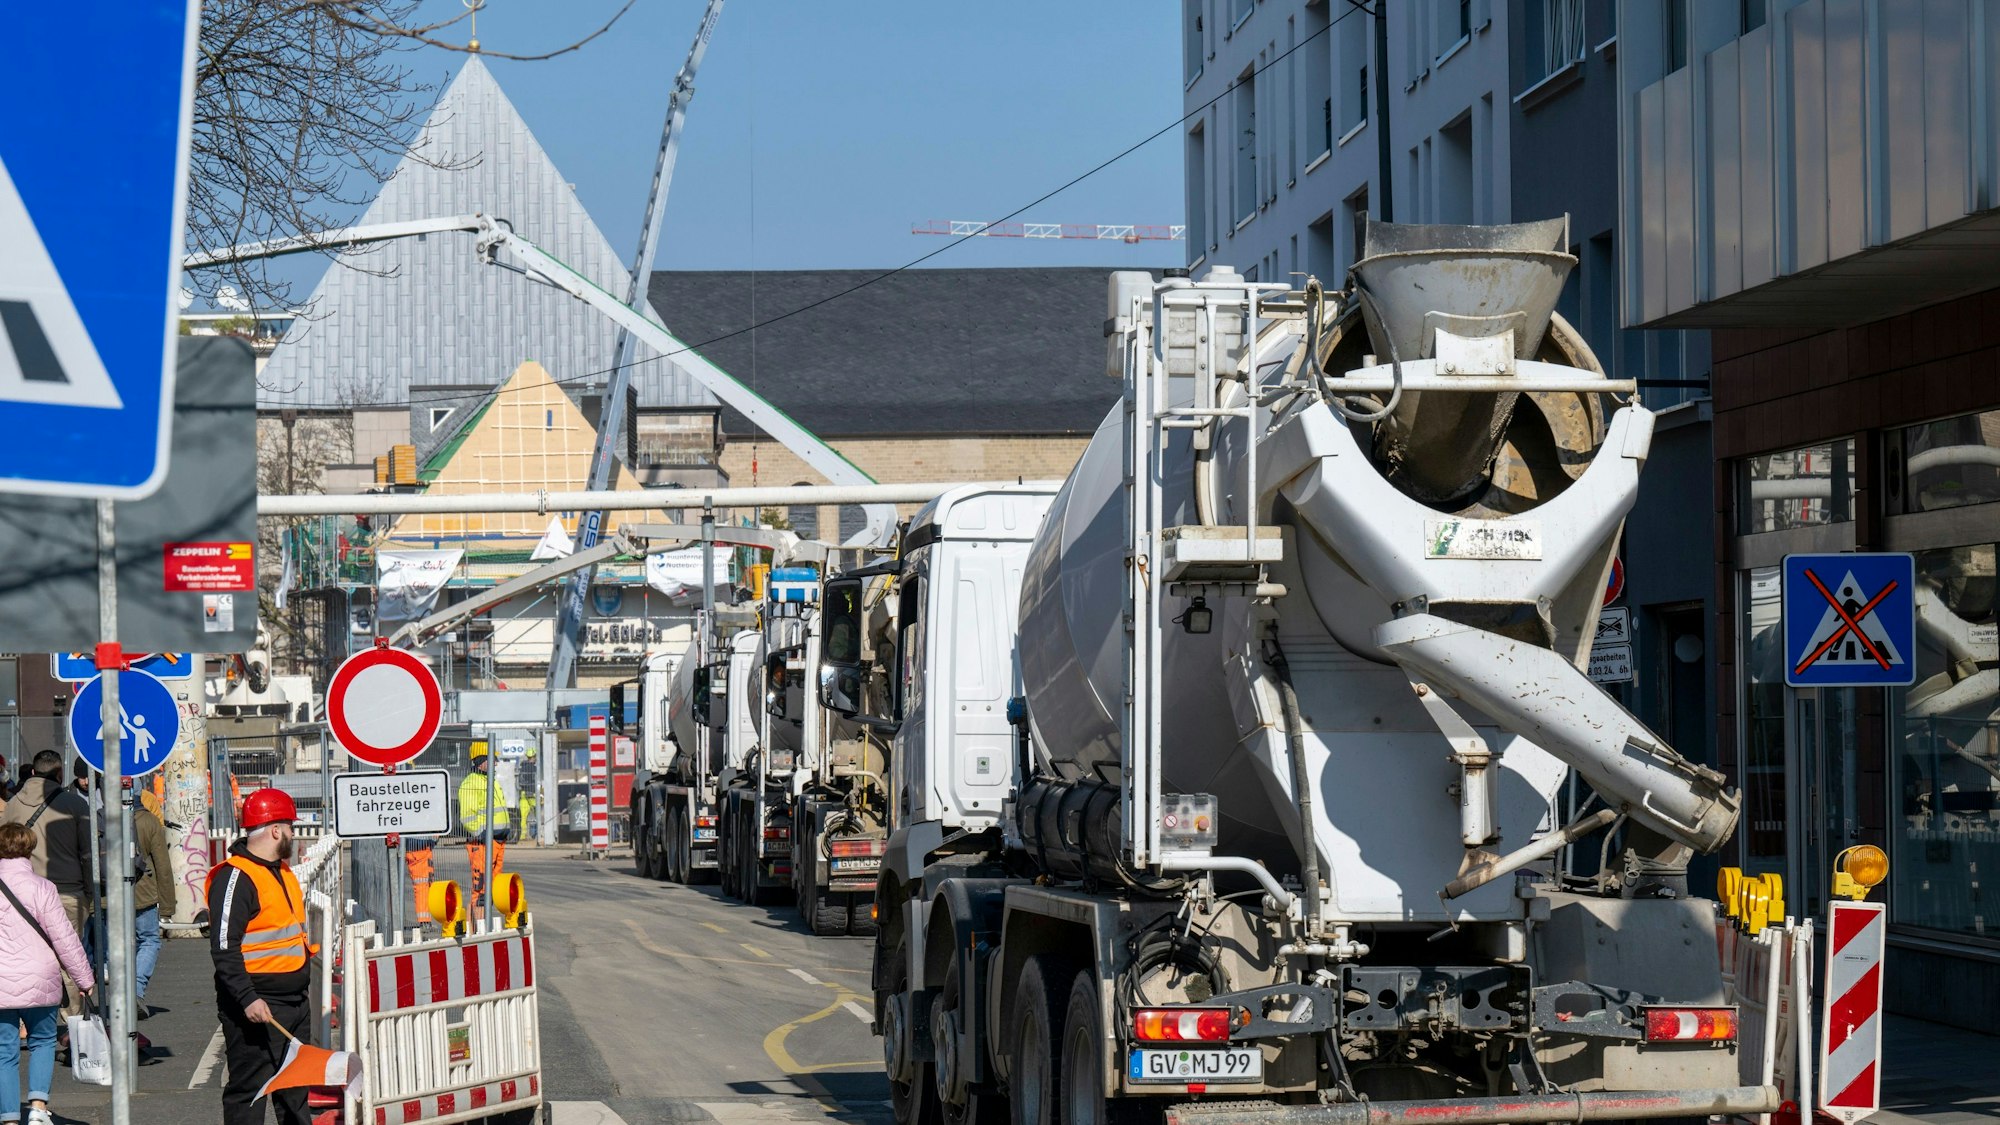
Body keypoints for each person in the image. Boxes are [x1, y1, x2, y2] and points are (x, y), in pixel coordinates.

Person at [207, 788, 317, 1125]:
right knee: (250, 1091)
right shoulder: (236, 876)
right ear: (274, 830)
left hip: (294, 1003)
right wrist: (247, 998)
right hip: (257, 1006)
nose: (293, 834)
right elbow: (224, 947)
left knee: (295, 1090)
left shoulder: (281, 871)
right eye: (290, 827)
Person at [0, 822, 96, 1125]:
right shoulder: (43, 888)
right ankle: (39, 1108)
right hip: (40, 977)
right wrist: (84, 978)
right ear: (30, 849)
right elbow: (64, 938)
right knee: (42, 1041)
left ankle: (10, 1117)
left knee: (4, 1049)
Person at [0, 752, 93, 1015]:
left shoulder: (12, 805)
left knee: (24, 956)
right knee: (69, 958)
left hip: (19, 893)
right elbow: (88, 855)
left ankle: (28, 1020)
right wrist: (90, 892)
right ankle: (72, 1025)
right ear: (59, 774)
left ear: (32, 773)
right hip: (68, 892)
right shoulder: (75, 805)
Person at [133, 791, 176, 1018]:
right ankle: (136, 991)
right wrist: (168, 905)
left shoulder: (101, 817)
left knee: (113, 949)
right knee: (149, 940)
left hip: (106, 895)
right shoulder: (149, 821)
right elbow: (163, 865)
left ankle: (118, 996)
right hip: (143, 893)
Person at [457, 742, 511, 914]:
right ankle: (476, 931)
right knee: (480, 890)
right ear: (481, 761)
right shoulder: (471, 783)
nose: (496, 763)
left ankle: (485, 927)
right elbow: (467, 815)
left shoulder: (490, 781)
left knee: (492, 889)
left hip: (496, 842)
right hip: (482, 843)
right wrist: (481, 834)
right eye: (492, 759)